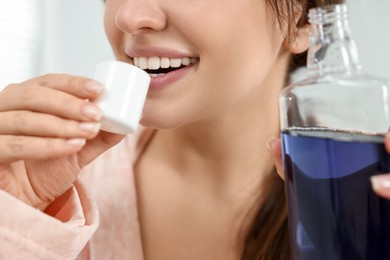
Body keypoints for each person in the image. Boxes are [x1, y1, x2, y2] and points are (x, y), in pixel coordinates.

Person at [1, 0, 389, 259]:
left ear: (301, 20)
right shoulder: (47, 201)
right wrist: (15, 224)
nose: (130, 16)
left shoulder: (366, 189)